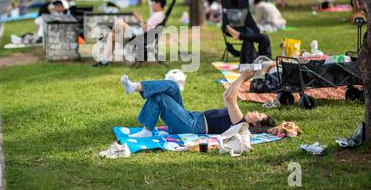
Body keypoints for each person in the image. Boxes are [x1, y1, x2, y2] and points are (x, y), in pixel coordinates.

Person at [118, 68, 276, 137]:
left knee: (161, 97)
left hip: (190, 126)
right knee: (172, 86)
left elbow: (230, 99)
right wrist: (244, 78)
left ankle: (147, 131)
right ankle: (135, 87)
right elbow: (226, 94)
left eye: (259, 115)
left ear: (257, 125)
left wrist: (242, 78)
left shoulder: (241, 125)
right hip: (190, 118)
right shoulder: (238, 118)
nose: (256, 112)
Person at [93, 0, 166, 67]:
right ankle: (104, 61)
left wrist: (139, 20)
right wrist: (139, 19)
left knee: (118, 22)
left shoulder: (158, 16)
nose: (151, 5)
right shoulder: (158, 15)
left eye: (152, 3)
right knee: (111, 36)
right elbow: (147, 27)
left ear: (158, 4)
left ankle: (104, 39)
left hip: (138, 36)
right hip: (139, 34)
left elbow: (146, 29)